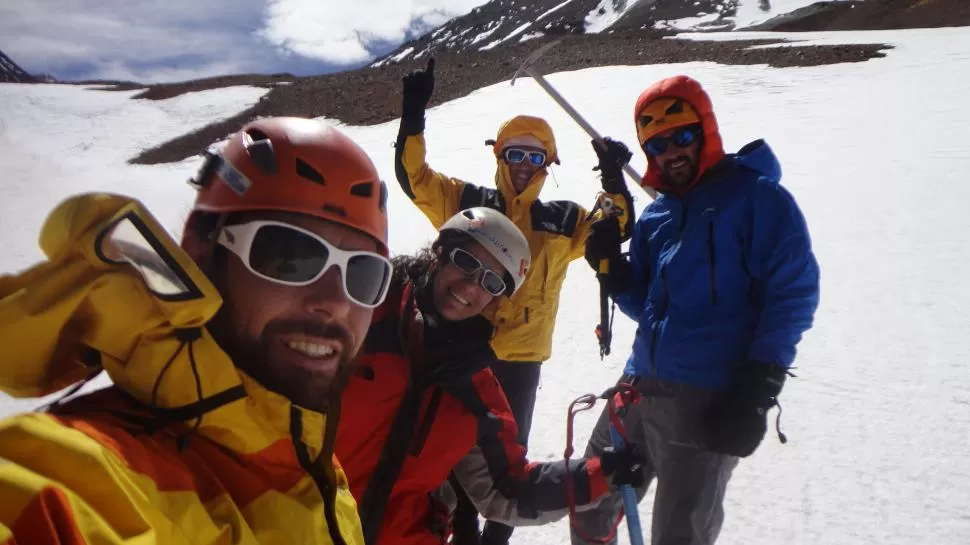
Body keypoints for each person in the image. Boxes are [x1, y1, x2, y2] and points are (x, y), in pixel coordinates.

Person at [0, 117, 393, 544]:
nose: (336, 303)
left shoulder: (316, 467)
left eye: (365, 274)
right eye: (290, 256)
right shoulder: (86, 473)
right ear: (201, 254)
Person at [394, 58, 636, 545]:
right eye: (515, 155)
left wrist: (614, 182)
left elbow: (613, 229)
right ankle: (458, 530)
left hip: (522, 361)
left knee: (510, 458)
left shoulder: (566, 219)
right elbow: (414, 176)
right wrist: (413, 118)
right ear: (499, 156)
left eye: (536, 157)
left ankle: (495, 540)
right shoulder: (468, 201)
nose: (524, 167)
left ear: (549, 164)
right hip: (459, 353)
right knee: (449, 447)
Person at [572, 75, 821, 545]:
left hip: (706, 398)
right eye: (658, 144)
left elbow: (794, 293)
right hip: (638, 384)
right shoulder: (657, 217)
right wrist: (615, 275)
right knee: (588, 501)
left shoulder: (758, 199)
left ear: (706, 129)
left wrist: (757, 387)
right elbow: (649, 308)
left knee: (679, 534)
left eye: (682, 136)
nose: (671, 152)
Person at [336, 206, 643, 545]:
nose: (470, 287)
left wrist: (602, 474)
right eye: (467, 262)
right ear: (441, 253)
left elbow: (508, 488)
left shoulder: (474, 389)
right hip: (300, 524)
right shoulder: (364, 314)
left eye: (491, 282)